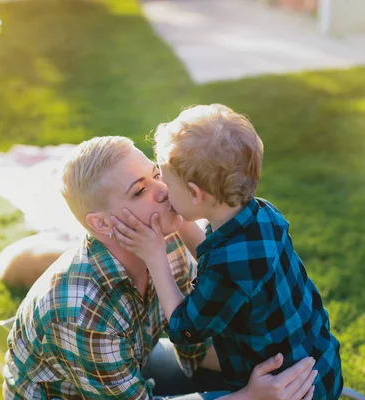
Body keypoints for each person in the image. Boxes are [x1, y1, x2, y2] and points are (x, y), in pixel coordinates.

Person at [2, 136, 318, 399]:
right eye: (140, 191)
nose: (164, 190)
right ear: (101, 223)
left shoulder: (167, 241)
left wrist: (277, 365)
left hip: (133, 368)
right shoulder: (82, 312)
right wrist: (249, 397)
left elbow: (193, 344)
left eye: (156, 175)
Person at [111, 105, 343, 400]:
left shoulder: (231, 267)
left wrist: (155, 257)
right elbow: (213, 258)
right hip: (320, 364)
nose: (162, 192)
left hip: (286, 391)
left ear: (196, 194)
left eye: (167, 184)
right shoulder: (259, 214)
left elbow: (185, 330)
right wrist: (181, 222)